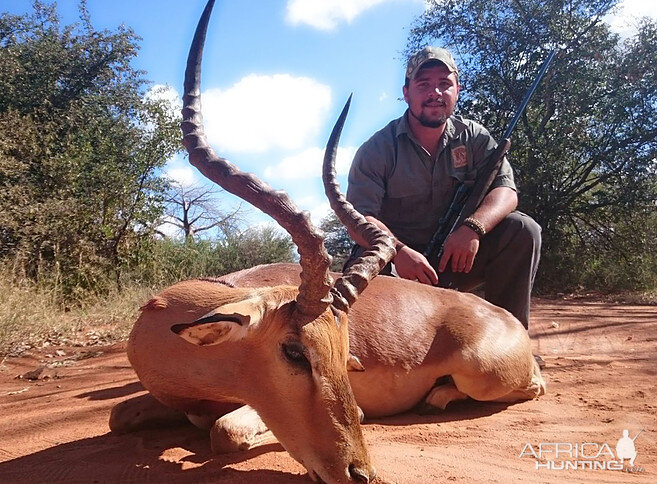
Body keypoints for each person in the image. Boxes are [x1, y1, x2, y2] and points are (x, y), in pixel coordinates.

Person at [344, 46, 542, 333]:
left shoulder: (474, 137)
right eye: (423, 84)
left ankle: (513, 346)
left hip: (456, 260)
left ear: (457, 90)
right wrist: (397, 251)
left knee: (523, 229)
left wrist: (473, 228)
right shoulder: (377, 149)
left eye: (444, 84)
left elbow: (506, 192)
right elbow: (360, 219)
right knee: (362, 276)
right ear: (406, 92)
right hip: (397, 265)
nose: (435, 92)